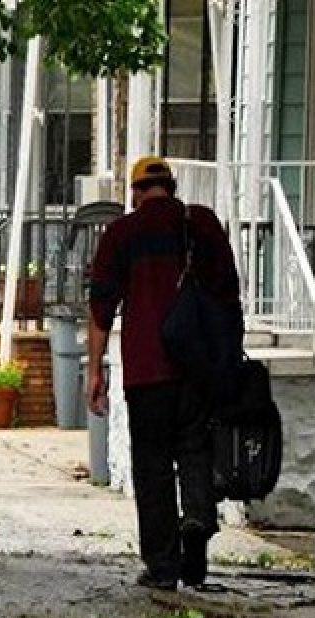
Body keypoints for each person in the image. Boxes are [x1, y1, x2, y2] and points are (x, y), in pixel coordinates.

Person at [85, 156, 242, 590]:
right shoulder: (202, 226)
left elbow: (101, 308)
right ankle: (195, 531)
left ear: (135, 193)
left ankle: (162, 566)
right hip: (197, 370)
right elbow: (230, 295)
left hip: (146, 371)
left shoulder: (122, 235)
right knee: (195, 451)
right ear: (171, 187)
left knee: (152, 467)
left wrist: (94, 372)